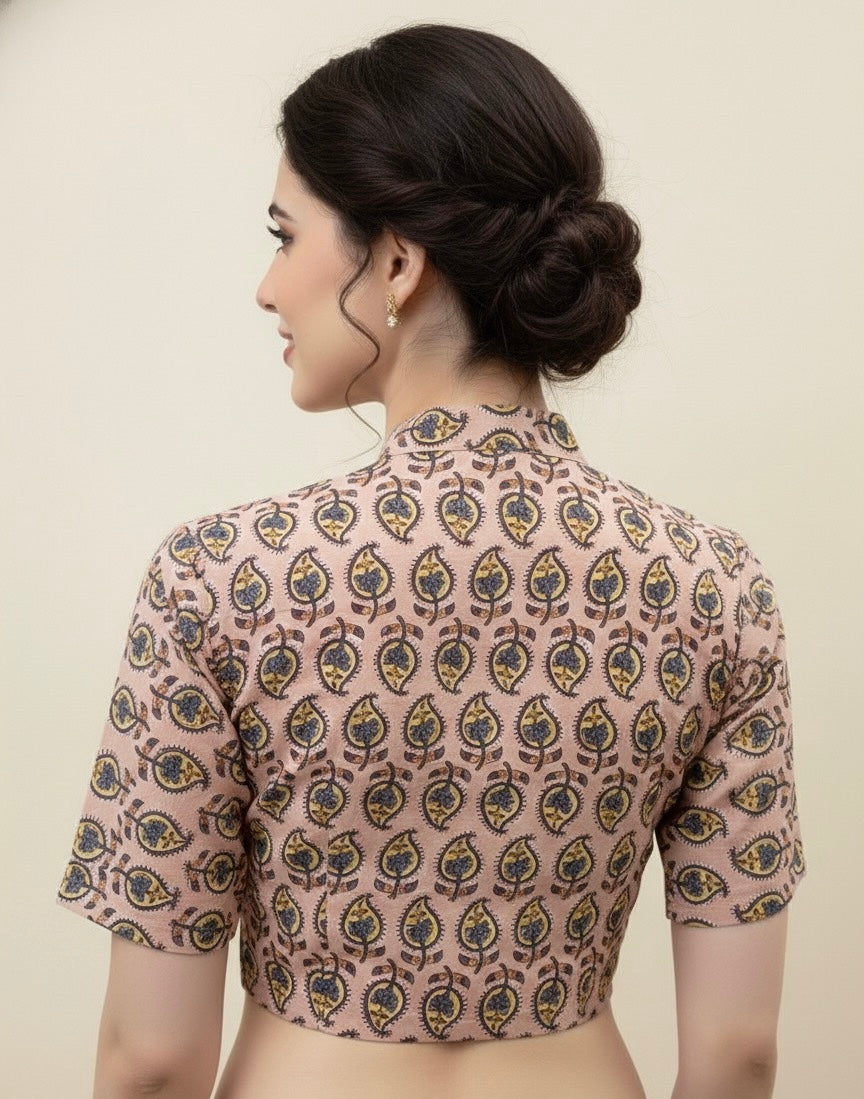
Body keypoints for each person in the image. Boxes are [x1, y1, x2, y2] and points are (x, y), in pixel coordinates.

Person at [56, 21, 807, 1099]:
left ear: (399, 262)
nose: (267, 287)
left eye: (284, 237)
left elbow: (153, 1057)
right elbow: (739, 1054)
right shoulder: (714, 586)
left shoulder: (218, 578)